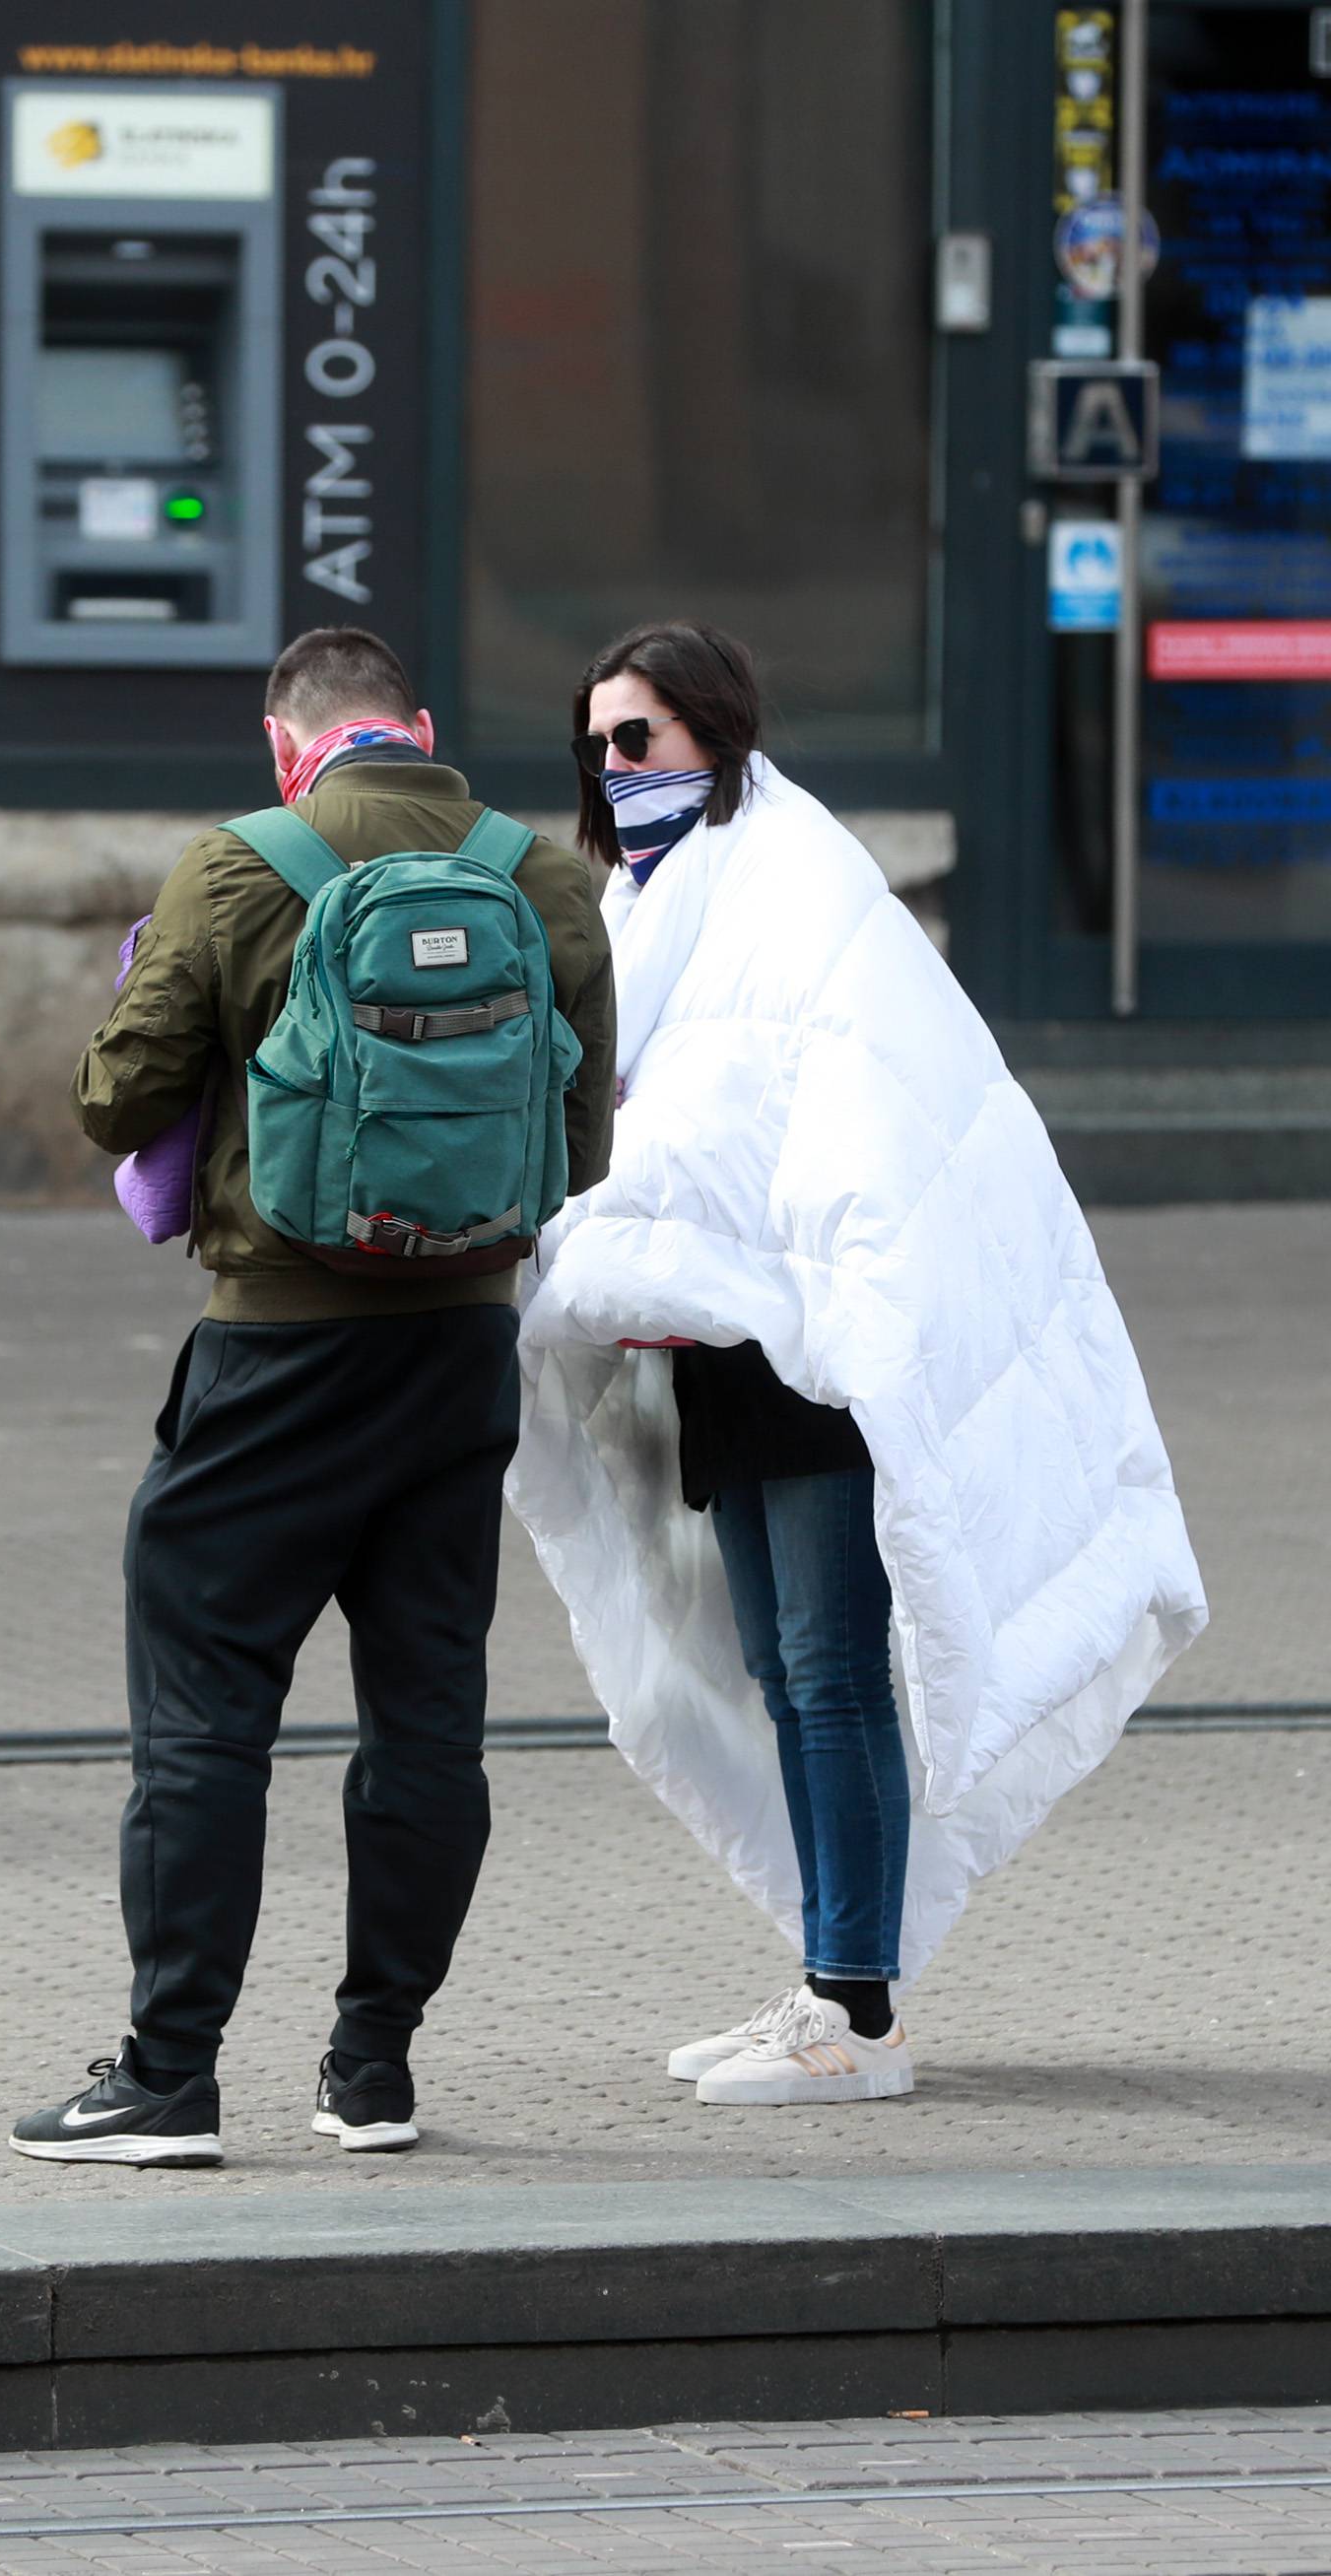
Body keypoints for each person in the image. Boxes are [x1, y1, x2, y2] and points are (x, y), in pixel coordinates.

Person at [507, 620, 1206, 2109]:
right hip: (729, 1339)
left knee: (829, 1674)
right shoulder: (669, 895)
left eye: (638, 738)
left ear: (714, 729)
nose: (613, 768)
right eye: (596, 744)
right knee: (780, 1666)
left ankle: (860, 2013)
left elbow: (799, 1092)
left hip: (812, 1339)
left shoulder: (792, 879)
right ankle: (831, 1974)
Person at [10, 626, 616, 2167]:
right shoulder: (538, 876)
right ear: (412, 729)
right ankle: (374, 2069)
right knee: (429, 1720)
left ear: (288, 748)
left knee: (207, 1712)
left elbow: (113, 1099)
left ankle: (166, 2075)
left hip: (277, 1351)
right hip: (462, 1354)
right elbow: (585, 1136)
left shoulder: (237, 865)